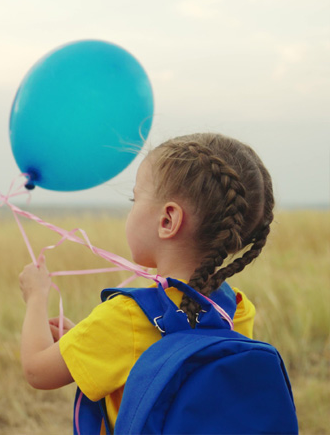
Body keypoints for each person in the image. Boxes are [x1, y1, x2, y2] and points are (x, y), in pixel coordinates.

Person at [18, 133, 274, 430]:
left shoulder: (126, 316)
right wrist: (84, 340)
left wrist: (37, 297)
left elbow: (37, 371)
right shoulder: (238, 309)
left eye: (135, 198)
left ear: (168, 220)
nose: (131, 208)